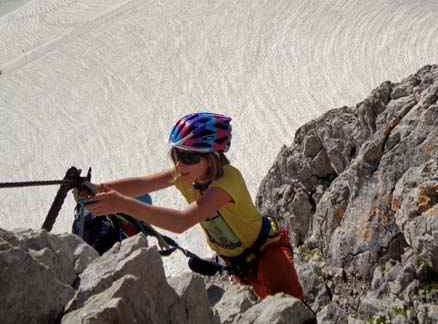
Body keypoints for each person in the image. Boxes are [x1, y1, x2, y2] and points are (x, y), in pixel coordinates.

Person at [85, 112, 304, 300]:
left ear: (212, 157)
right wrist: (96, 188)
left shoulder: (227, 183)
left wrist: (122, 204)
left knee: (292, 314)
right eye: (177, 154)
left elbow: (181, 221)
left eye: (189, 157)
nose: (180, 164)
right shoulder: (183, 174)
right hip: (238, 263)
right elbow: (143, 184)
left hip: (268, 255)